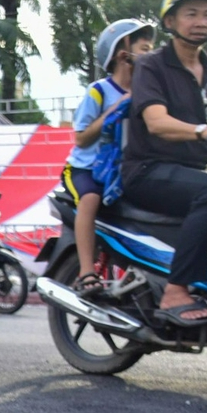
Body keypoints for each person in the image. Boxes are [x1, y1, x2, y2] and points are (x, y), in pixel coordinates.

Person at [120, 0, 207, 330]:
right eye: (191, 14)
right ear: (170, 22)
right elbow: (156, 122)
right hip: (148, 170)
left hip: (190, 171)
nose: (201, 21)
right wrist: (204, 130)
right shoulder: (152, 65)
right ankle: (176, 291)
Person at [65, 19, 153, 296]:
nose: (151, 54)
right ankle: (86, 271)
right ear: (122, 54)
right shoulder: (99, 91)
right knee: (89, 199)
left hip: (123, 173)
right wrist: (115, 110)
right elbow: (80, 138)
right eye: (145, 47)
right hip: (85, 170)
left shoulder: (147, 94)